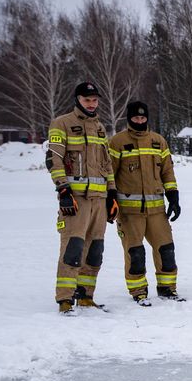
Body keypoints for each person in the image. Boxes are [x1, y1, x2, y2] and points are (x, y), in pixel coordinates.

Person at [45, 81, 116, 313]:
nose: (92, 104)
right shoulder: (62, 123)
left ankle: (86, 295)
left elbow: (106, 164)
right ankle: (65, 299)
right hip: (75, 199)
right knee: (73, 248)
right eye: (87, 100)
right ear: (78, 100)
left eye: (95, 100)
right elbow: (53, 159)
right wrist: (63, 189)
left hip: (99, 199)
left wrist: (112, 193)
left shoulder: (100, 127)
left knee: (95, 250)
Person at [107, 101, 183, 305]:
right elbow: (109, 173)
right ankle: (138, 291)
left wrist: (173, 196)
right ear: (129, 118)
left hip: (157, 210)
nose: (140, 121)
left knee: (166, 249)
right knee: (135, 253)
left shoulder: (158, 141)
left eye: (143, 118)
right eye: (135, 118)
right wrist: (110, 198)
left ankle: (167, 289)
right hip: (130, 212)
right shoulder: (117, 142)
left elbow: (167, 171)